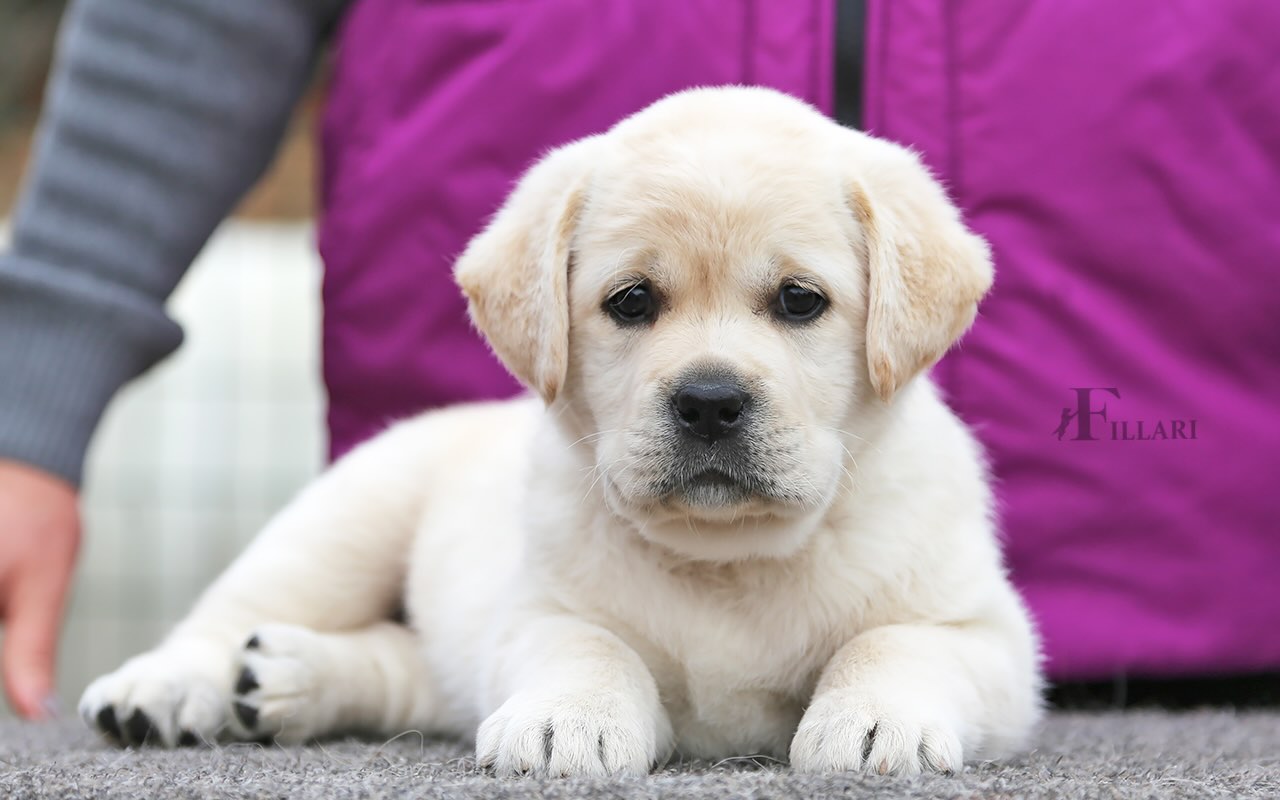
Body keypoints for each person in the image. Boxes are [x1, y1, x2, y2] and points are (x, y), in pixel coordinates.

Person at [3, 0, 1278, 720]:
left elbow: (968, 641)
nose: (708, 378)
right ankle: (241, 650)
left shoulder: (920, 444)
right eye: (630, 303)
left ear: (899, 316)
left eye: (793, 301)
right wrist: (26, 392)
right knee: (422, 491)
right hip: (495, 638)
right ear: (541, 319)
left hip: (1203, 603)